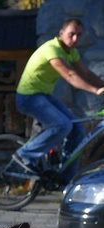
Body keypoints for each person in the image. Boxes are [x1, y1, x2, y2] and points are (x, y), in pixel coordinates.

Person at [14, 18, 104, 183]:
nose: (75, 39)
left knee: (77, 128)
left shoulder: (71, 52)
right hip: (28, 97)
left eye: (79, 35)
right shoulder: (52, 49)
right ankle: (25, 155)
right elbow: (70, 75)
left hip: (44, 95)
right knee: (62, 125)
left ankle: (65, 179)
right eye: (71, 34)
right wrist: (95, 90)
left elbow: (87, 74)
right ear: (61, 33)